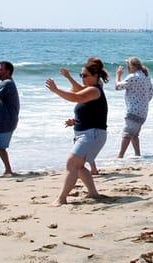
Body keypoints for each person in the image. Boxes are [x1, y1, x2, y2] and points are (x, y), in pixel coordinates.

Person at [45, 57, 109, 206]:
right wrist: (76, 121)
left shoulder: (94, 90)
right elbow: (82, 98)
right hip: (86, 133)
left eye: (85, 75)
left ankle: (61, 198)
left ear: (95, 76)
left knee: (71, 163)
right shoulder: (91, 89)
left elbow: (75, 96)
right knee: (78, 167)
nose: (83, 78)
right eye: (81, 75)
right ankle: (93, 193)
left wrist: (56, 90)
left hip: (93, 134)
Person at [115, 57, 153, 158]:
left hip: (133, 110)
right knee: (134, 134)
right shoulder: (146, 77)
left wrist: (118, 75)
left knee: (127, 134)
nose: (128, 68)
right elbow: (151, 93)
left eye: (128, 65)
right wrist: (143, 102)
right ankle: (137, 155)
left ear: (133, 66)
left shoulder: (133, 77)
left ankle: (120, 156)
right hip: (143, 111)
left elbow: (118, 86)